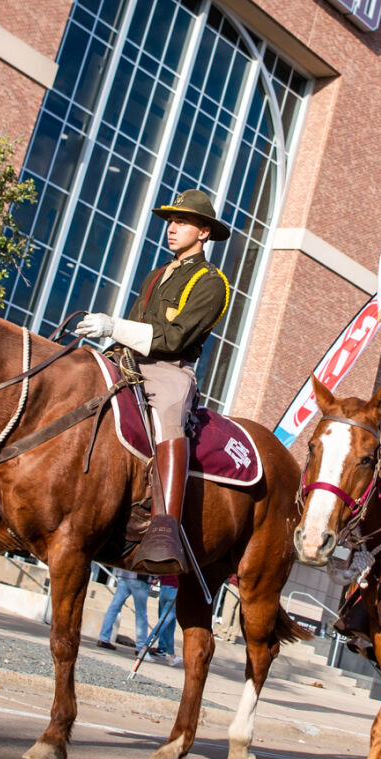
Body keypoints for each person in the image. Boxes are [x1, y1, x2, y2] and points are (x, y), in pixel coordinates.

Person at [76, 188, 231, 575]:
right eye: (170, 221)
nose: (172, 228)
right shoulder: (156, 274)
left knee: (169, 413)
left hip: (169, 368)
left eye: (182, 221)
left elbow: (174, 338)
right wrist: (108, 347)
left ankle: (165, 527)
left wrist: (114, 325)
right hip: (130, 360)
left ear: (205, 232)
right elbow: (133, 327)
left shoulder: (213, 283)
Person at [96, 568, 150, 652]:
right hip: (140, 576)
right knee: (141, 613)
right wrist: (155, 577)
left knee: (114, 608)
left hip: (124, 575)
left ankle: (103, 638)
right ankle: (140, 647)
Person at [150, 575, 180, 663]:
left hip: (164, 588)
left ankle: (171, 654)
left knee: (170, 624)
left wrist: (156, 578)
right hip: (174, 589)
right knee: (164, 622)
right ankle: (146, 647)